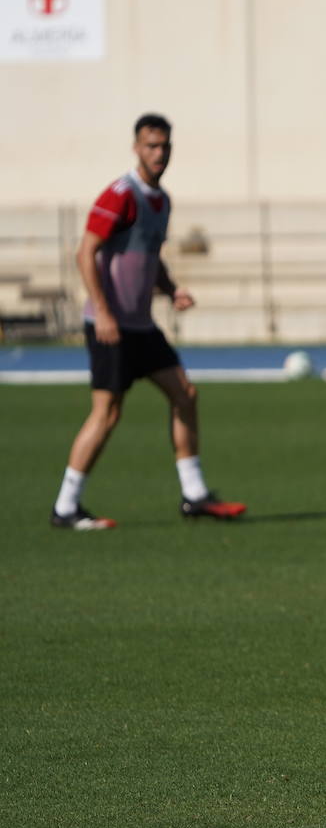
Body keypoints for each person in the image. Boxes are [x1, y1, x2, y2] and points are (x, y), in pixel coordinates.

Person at [49, 113, 246, 530]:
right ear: (136, 148)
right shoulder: (120, 195)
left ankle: (194, 495)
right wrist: (103, 311)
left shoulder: (163, 201)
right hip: (110, 325)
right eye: (151, 146)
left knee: (185, 394)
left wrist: (171, 290)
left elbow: (150, 258)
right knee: (107, 413)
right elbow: (85, 253)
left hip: (140, 325)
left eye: (164, 146)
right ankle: (66, 506)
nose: (158, 153)